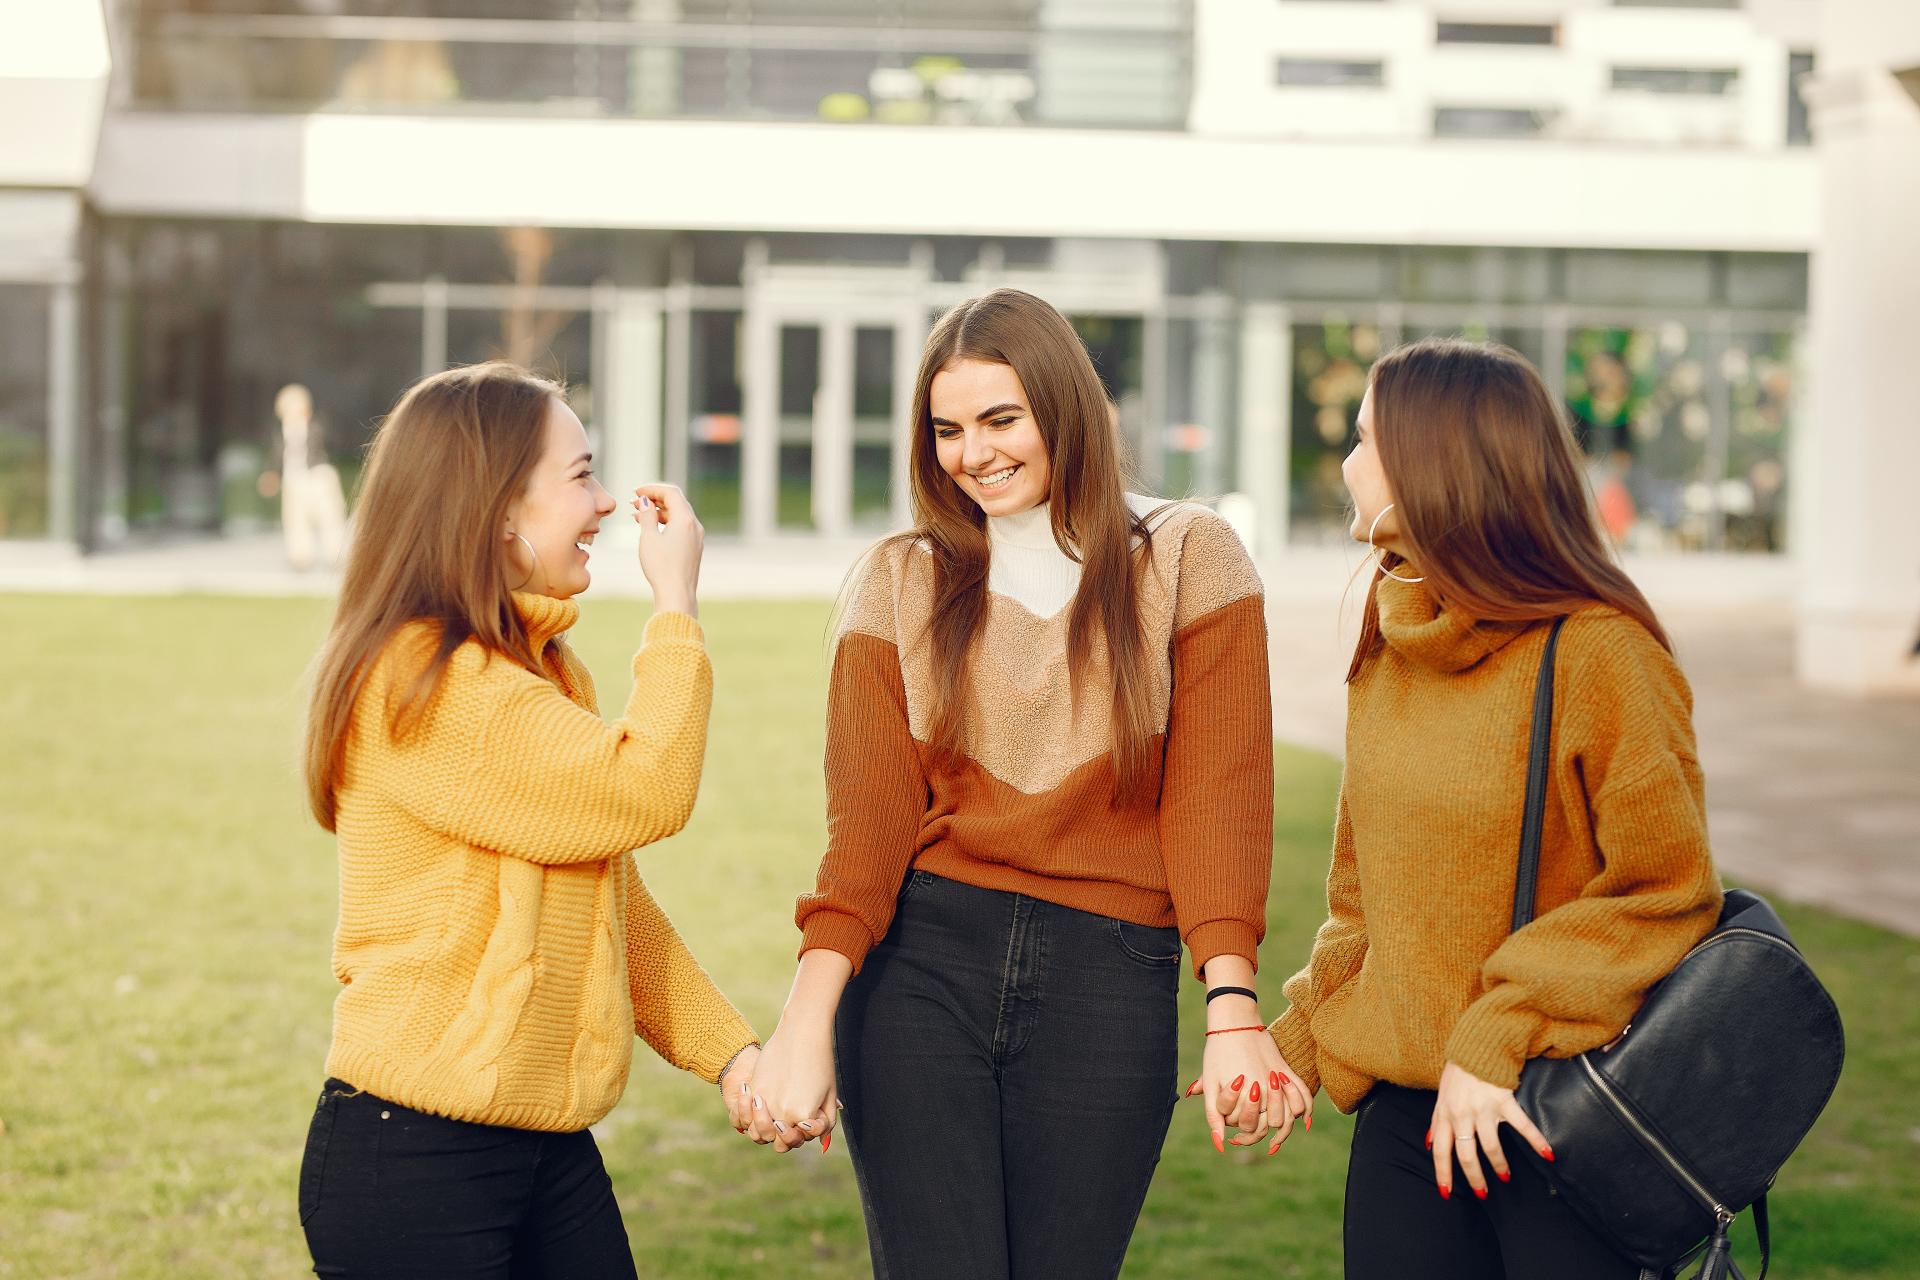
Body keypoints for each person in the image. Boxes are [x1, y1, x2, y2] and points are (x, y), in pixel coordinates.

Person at [744, 288, 1293, 1280]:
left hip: (1110, 977)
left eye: (1002, 418)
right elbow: (864, 836)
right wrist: (802, 1023)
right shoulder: (899, 579)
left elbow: (1218, 803)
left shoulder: (1186, 555)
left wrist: (1234, 1010)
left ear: (1065, 408)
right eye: (947, 428)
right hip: (920, 971)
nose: (974, 452)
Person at [296, 361, 776, 1278]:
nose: (603, 503)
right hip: (417, 1160)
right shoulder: (424, 680)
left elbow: (613, 908)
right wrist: (676, 604)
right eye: (582, 475)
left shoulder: (537, 672)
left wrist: (731, 1057)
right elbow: (650, 788)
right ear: (498, 509)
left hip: (542, 1147)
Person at [1264, 339, 1723, 1279]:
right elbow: (1365, 894)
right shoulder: (1393, 636)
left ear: (1433, 465)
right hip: (1405, 1117)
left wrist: (1495, 1030)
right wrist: (1299, 1039)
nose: (1346, 465)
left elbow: (1666, 892)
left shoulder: (1603, 654)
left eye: (1362, 440)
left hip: (1557, 1110)